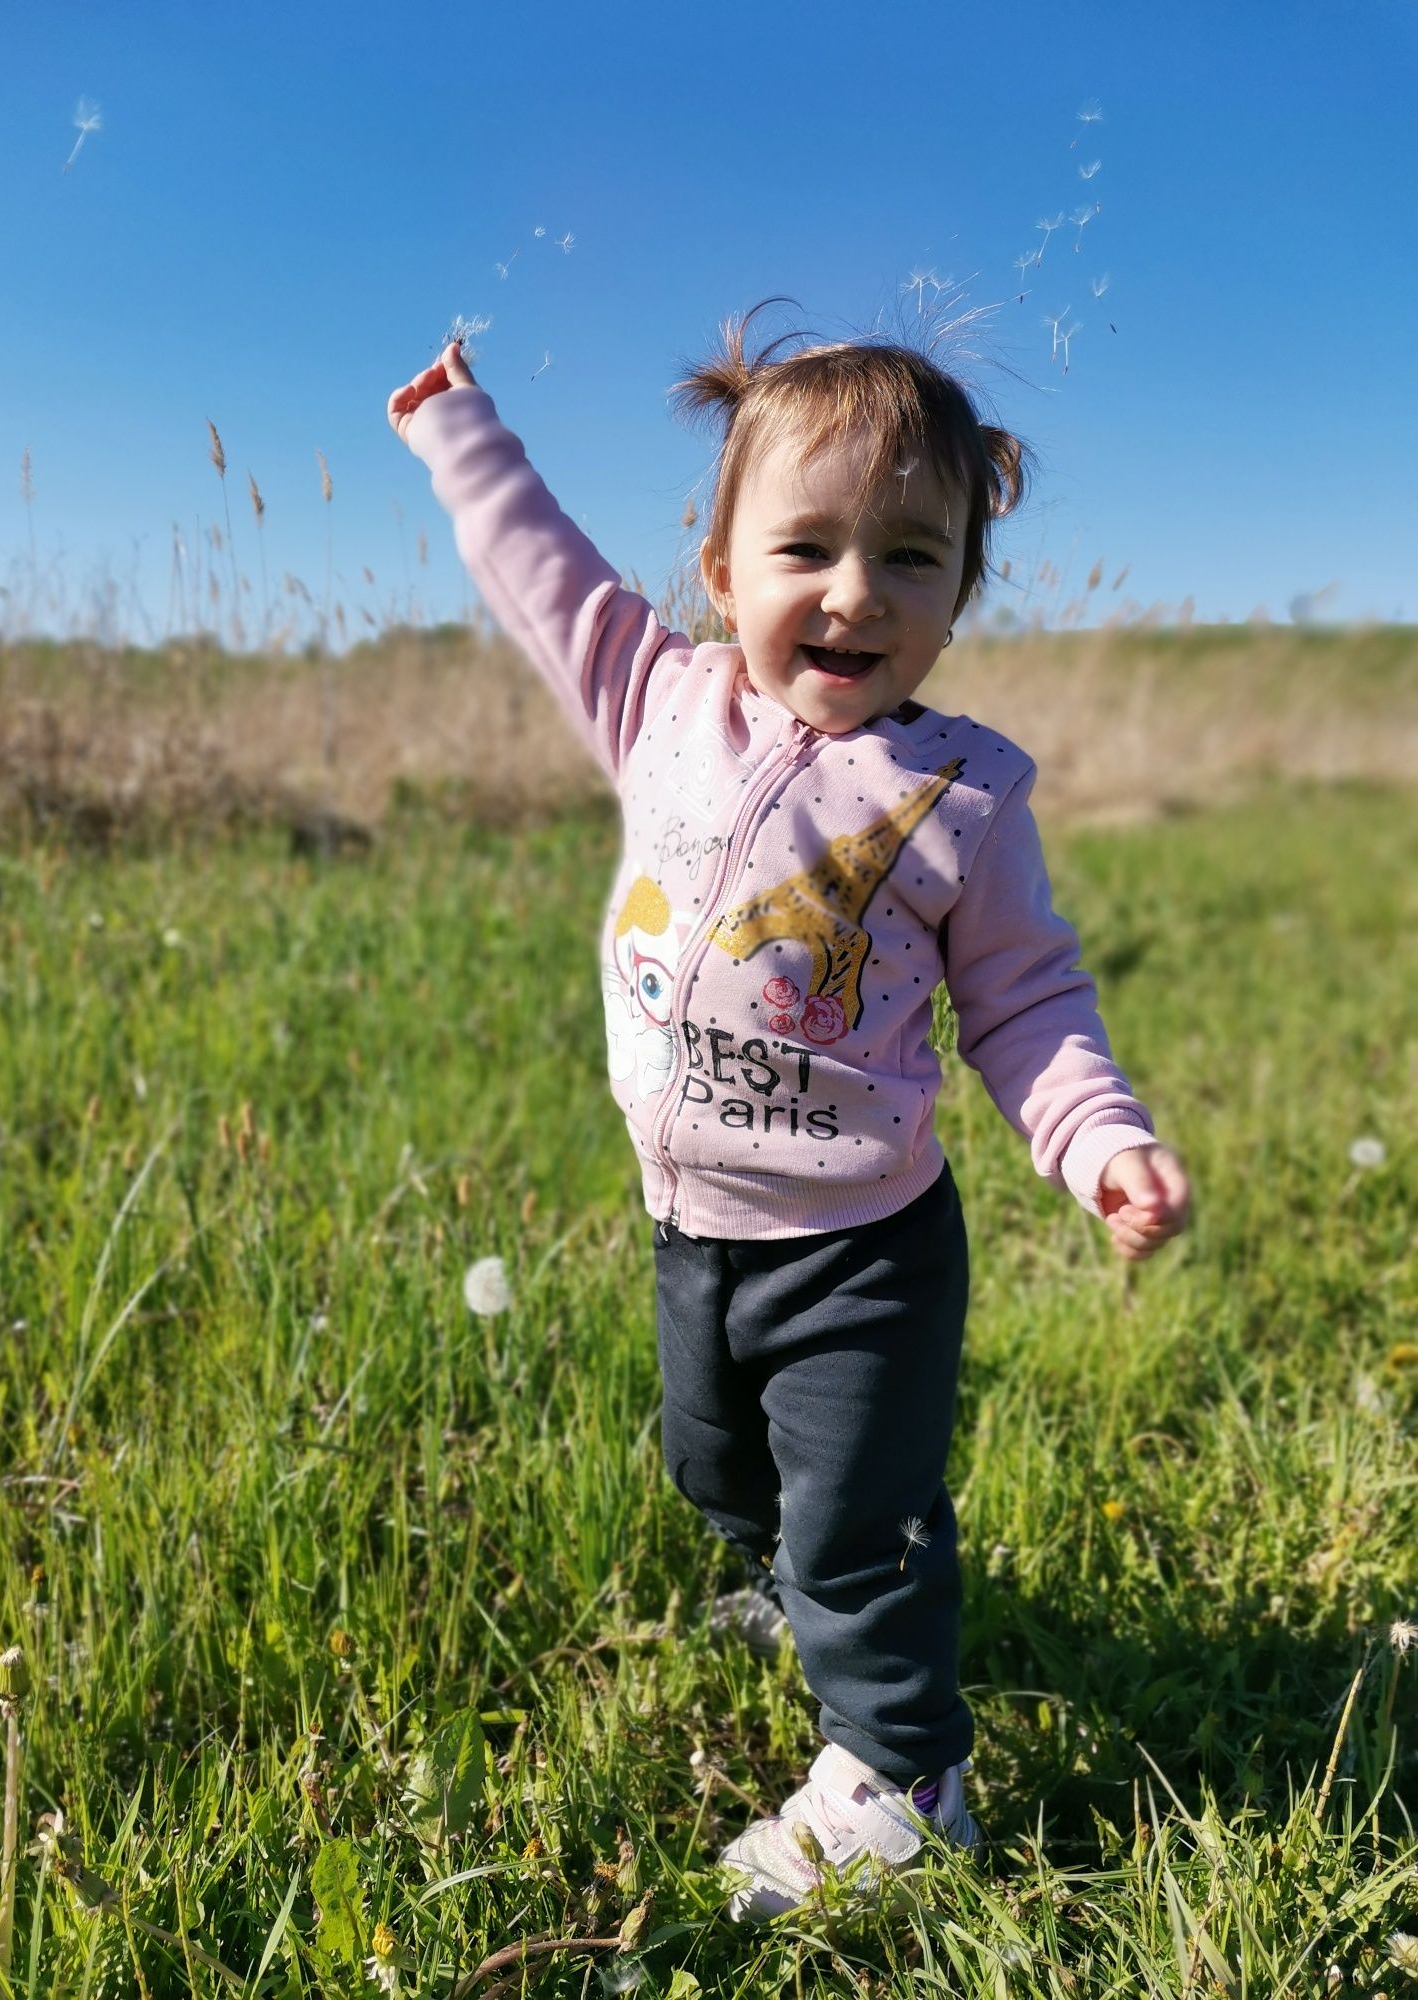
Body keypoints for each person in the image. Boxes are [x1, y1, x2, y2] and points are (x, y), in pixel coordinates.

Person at [388, 304, 1192, 1923]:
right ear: (722, 569)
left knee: (859, 1517)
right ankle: (785, 1587)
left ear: (961, 588)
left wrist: (1099, 1136)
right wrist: (461, 437)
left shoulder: (958, 798)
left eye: (911, 555)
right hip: (693, 1228)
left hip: (865, 1250)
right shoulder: (656, 700)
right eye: (807, 546)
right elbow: (541, 575)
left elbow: (1028, 1005)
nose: (853, 591)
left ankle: (906, 1779)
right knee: (718, 1470)